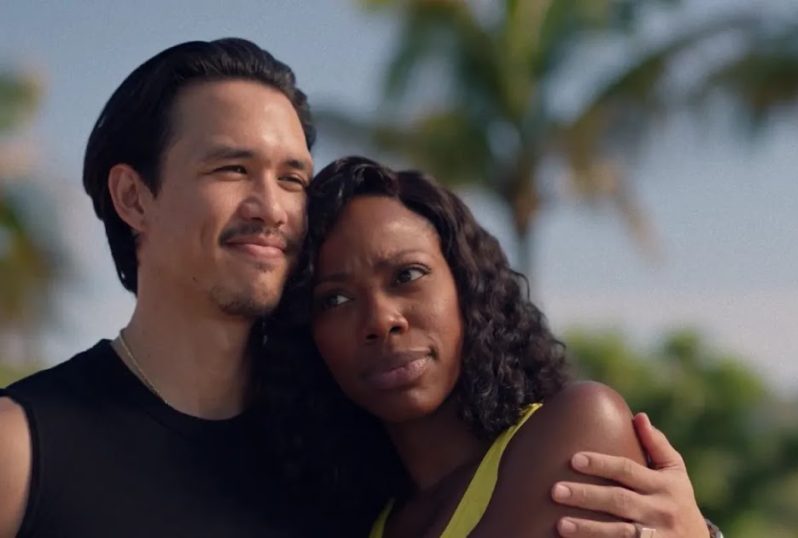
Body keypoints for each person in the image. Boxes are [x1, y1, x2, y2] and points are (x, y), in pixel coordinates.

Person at [0, 38, 717, 538]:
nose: (272, 206)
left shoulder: (336, 467)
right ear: (133, 198)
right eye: (230, 170)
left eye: (291, 178)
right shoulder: (23, 446)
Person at [258, 156, 719, 537]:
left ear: (466, 286)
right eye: (334, 299)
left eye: (407, 275)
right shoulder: (374, 520)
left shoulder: (578, 426)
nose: (381, 320)